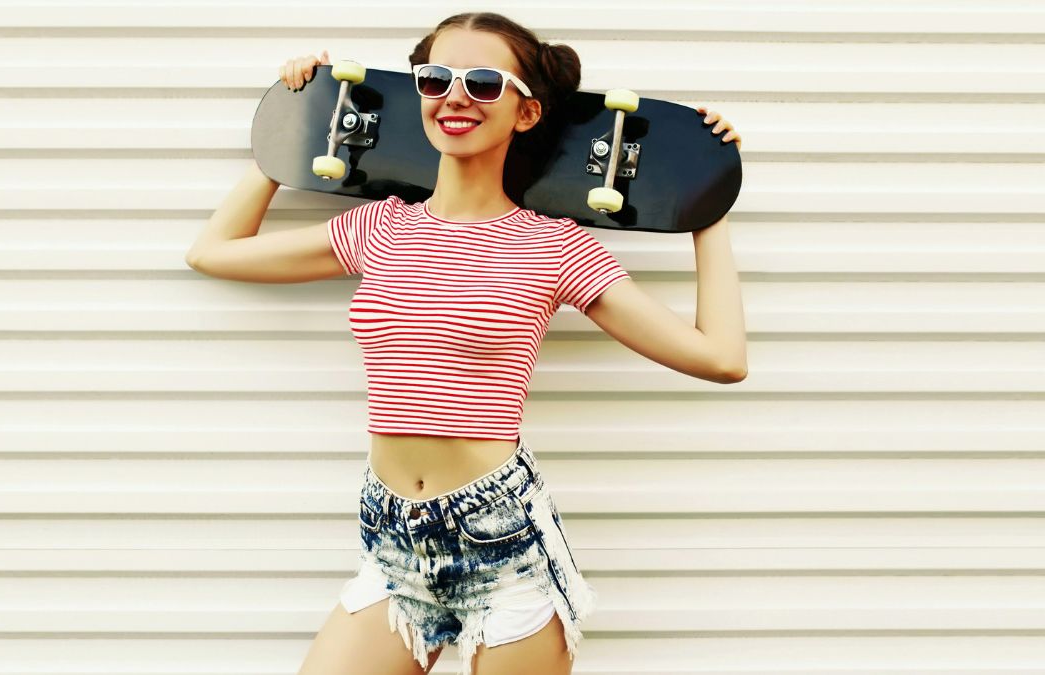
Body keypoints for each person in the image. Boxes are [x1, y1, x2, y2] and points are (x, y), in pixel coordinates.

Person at [187, 11, 746, 675]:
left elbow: (721, 357)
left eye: (484, 82)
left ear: (528, 113)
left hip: (502, 542)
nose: (454, 95)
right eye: (435, 79)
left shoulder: (554, 245)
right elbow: (212, 251)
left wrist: (706, 203)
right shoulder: (379, 228)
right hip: (393, 538)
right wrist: (293, 124)